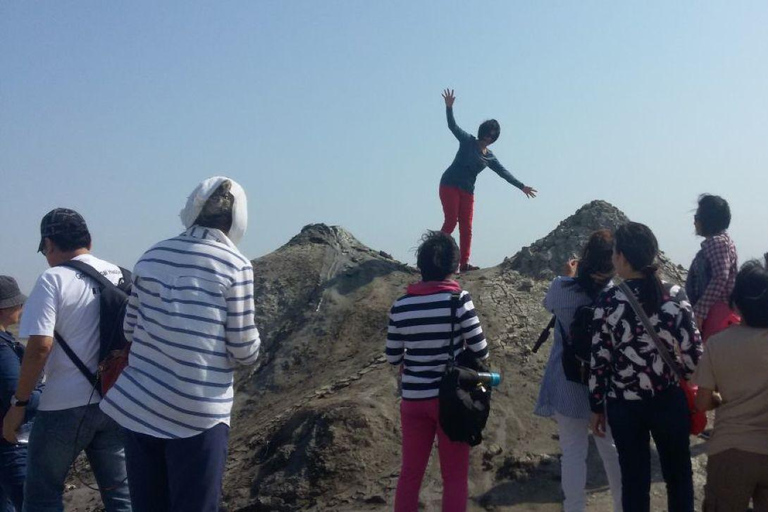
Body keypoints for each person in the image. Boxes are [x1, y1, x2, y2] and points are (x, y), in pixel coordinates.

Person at [100, 177, 260, 512]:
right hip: (197, 414)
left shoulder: (151, 255)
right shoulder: (236, 265)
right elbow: (244, 350)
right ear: (237, 219)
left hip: (141, 407)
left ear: (192, 210)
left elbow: (130, 329)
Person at [1, 209, 132, 512]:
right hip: (116, 401)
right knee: (121, 494)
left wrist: (19, 405)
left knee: (42, 493)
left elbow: (39, 347)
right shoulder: (123, 274)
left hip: (63, 407)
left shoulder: (52, 279)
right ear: (89, 239)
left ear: (48, 244)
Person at [589, 222, 703, 512]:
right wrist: (683, 375)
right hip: (668, 399)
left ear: (623, 258)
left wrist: (596, 406)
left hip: (624, 406)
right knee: (679, 476)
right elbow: (693, 353)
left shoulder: (608, 300)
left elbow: (599, 360)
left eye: (615, 253)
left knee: (634, 482)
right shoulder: (674, 295)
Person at [386, 231, 488, 512]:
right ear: (454, 267)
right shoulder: (460, 300)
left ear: (421, 268)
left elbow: (393, 356)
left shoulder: (401, 305)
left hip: (414, 400)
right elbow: (481, 350)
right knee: (454, 477)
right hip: (451, 400)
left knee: (410, 474)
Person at [534, 230, 622, 512]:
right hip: (606, 385)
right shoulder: (616, 296)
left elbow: (549, 305)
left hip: (568, 380)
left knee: (572, 453)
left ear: (585, 258)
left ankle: (574, 508)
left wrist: (569, 277)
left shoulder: (562, 288)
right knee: (612, 453)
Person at [693, 260, 768, 511]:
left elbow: (702, 403)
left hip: (730, 449)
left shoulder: (718, 344)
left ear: (737, 301)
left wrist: (720, 397)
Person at [439, 89, 537, 272]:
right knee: (451, 221)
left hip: (468, 191)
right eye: (486, 134)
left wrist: (521, 186)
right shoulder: (467, 140)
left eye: (492, 136)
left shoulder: (489, 156)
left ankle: (464, 264)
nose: (488, 138)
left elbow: (503, 172)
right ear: (481, 132)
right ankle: (434, 254)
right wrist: (449, 108)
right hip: (449, 184)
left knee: (467, 227)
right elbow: (453, 126)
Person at [0, 276, 43, 511]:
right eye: (18, 303)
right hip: (12, 445)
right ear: (5, 308)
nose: (21, 307)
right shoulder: (2, 348)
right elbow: (15, 395)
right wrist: (44, 391)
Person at [685, 194, 739, 341]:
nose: (694, 222)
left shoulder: (717, 243)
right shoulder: (720, 242)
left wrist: (701, 311)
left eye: (697, 217)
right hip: (714, 313)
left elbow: (721, 276)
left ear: (707, 220)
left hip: (714, 314)